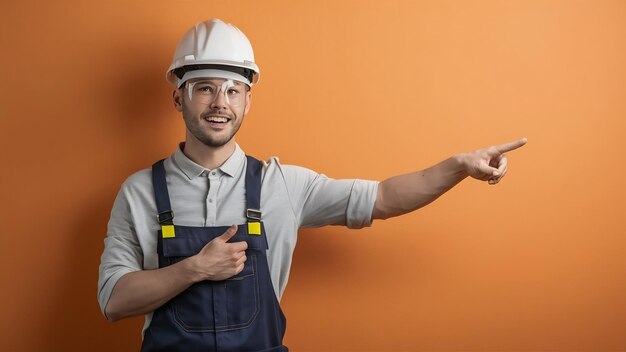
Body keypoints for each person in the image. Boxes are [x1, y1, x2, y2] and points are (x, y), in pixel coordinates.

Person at [98, 18, 527, 352]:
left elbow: (383, 197)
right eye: (204, 89)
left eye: (233, 90)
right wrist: (194, 268)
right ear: (178, 97)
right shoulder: (139, 193)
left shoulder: (281, 185)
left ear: (248, 100)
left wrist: (457, 166)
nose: (219, 103)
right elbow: (113, 301)